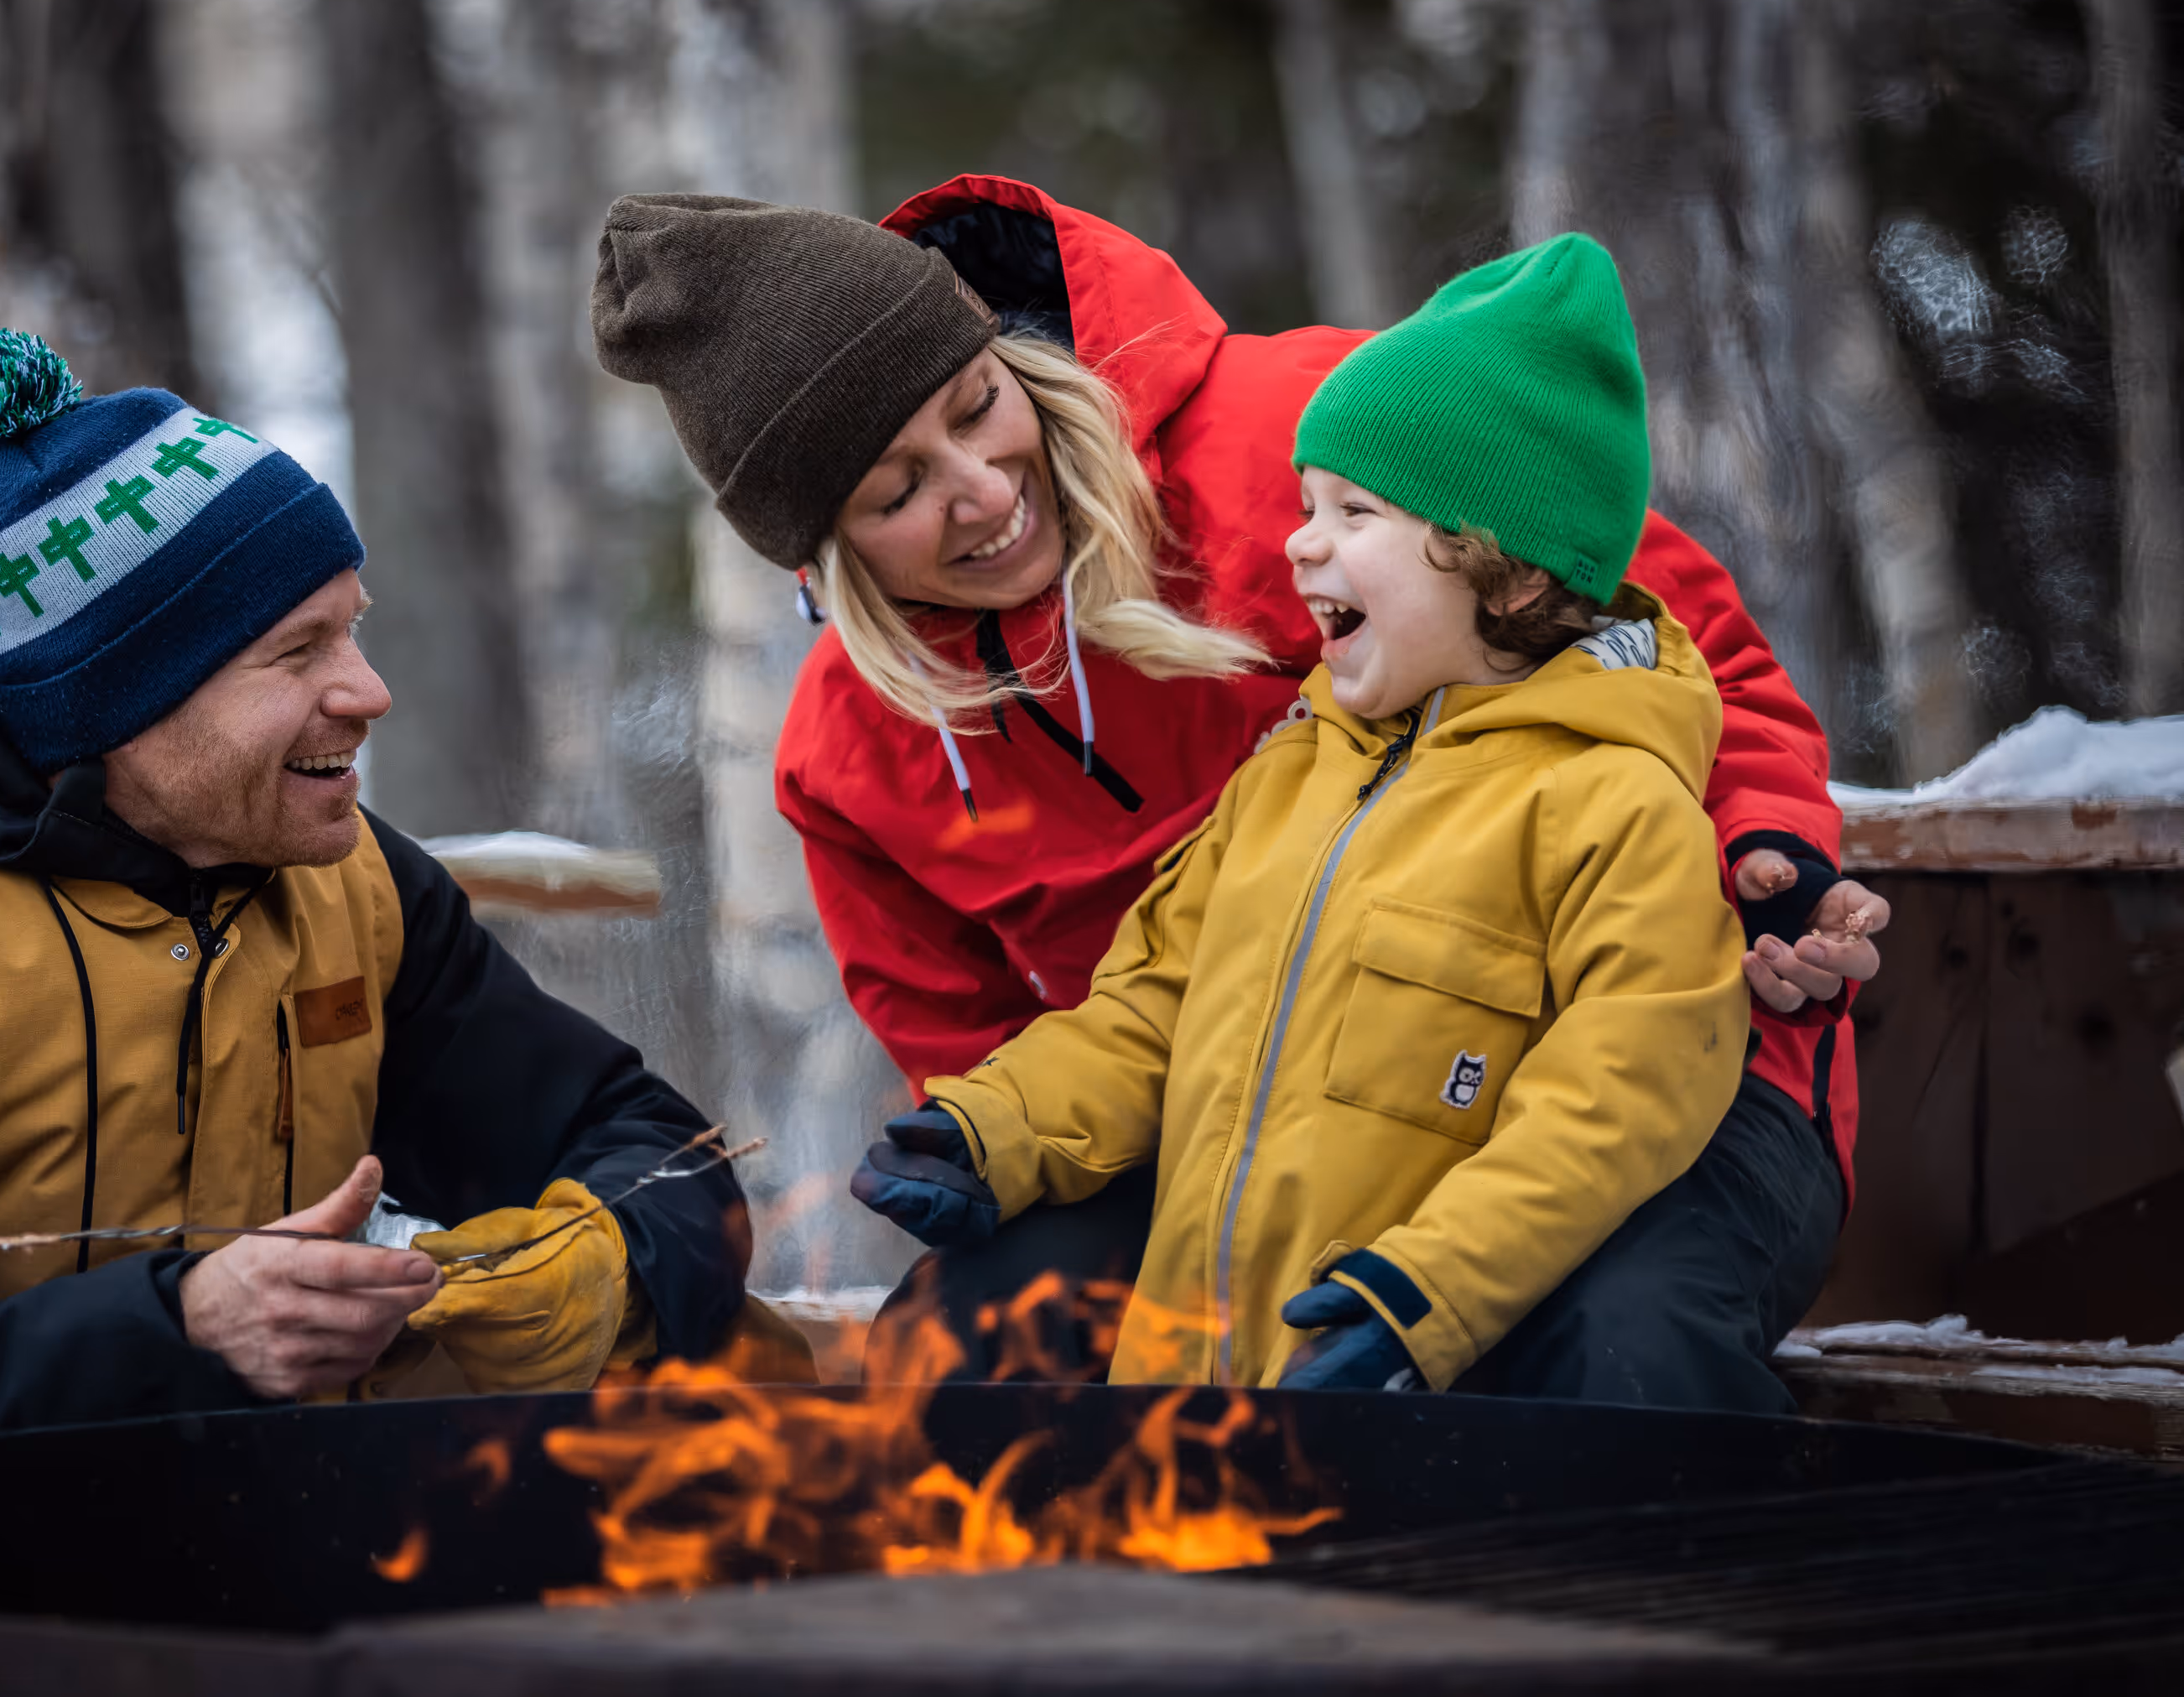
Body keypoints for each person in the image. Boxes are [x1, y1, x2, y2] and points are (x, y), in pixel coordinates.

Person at [592, 178, 1886, 1408]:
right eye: (898, 491)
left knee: (1611, 1348)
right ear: (826, 554)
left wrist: (1771, 859)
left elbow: (1682, 660)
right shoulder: (854, 758)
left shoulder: (1336, 445)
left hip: (1629, 1075)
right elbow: (1038, 1051)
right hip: (1243, 1122)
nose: (985, 491)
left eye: (979, 405)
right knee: (971, 1349)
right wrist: (985, 1144)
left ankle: (1660, 1623)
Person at [0, 328, 750, 1513]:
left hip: (210, 1590)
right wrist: (184, 1328)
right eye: (296, 651)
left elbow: (658, 1149)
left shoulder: (345, 884)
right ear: (114, 701)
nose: (368, 692)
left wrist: (594, 1266)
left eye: (353, 627)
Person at [848, 235, 1748, 1392]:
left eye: (1354, 512)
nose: (1298, 540)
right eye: (1306, 501)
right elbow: (1149, 1009)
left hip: (1400, 1365)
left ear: (1510, 572)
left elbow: (1615, 1102)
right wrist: (997, 1131)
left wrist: (1425, 1296)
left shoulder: (1611, 805)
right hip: (1188, 1389)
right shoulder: (1292, 775)